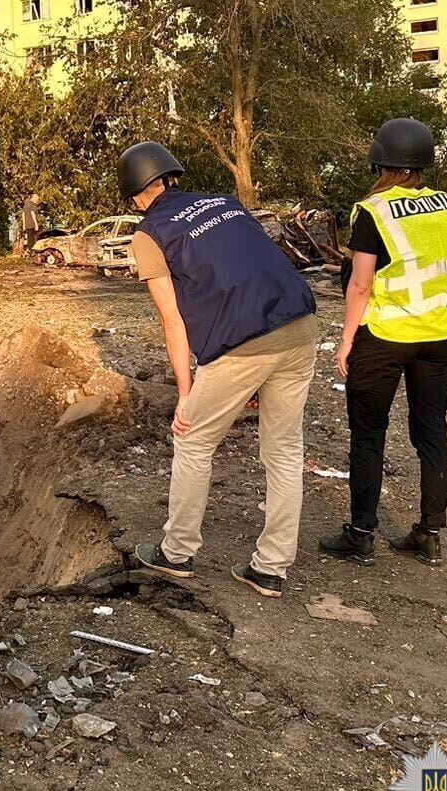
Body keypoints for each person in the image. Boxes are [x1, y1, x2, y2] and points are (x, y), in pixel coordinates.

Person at [118, 142, 320, 598]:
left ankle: (177, 553)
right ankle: (271, 568)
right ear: (171, 177)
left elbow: (173, 321)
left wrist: (186, 391)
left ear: (135, 195)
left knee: (192, 439)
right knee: (284, 450)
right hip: (300, 326)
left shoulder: (151, 233)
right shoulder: (226, 203)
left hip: (242, 340)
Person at [320, 118, 447, 568]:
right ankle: (429, 533)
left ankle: (361, 533)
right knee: (432, 433)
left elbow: (360, 285)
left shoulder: (372, 211)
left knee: (368, 434)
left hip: (382, 337)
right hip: (437, 338)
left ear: (380, 160)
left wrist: (345, 341)